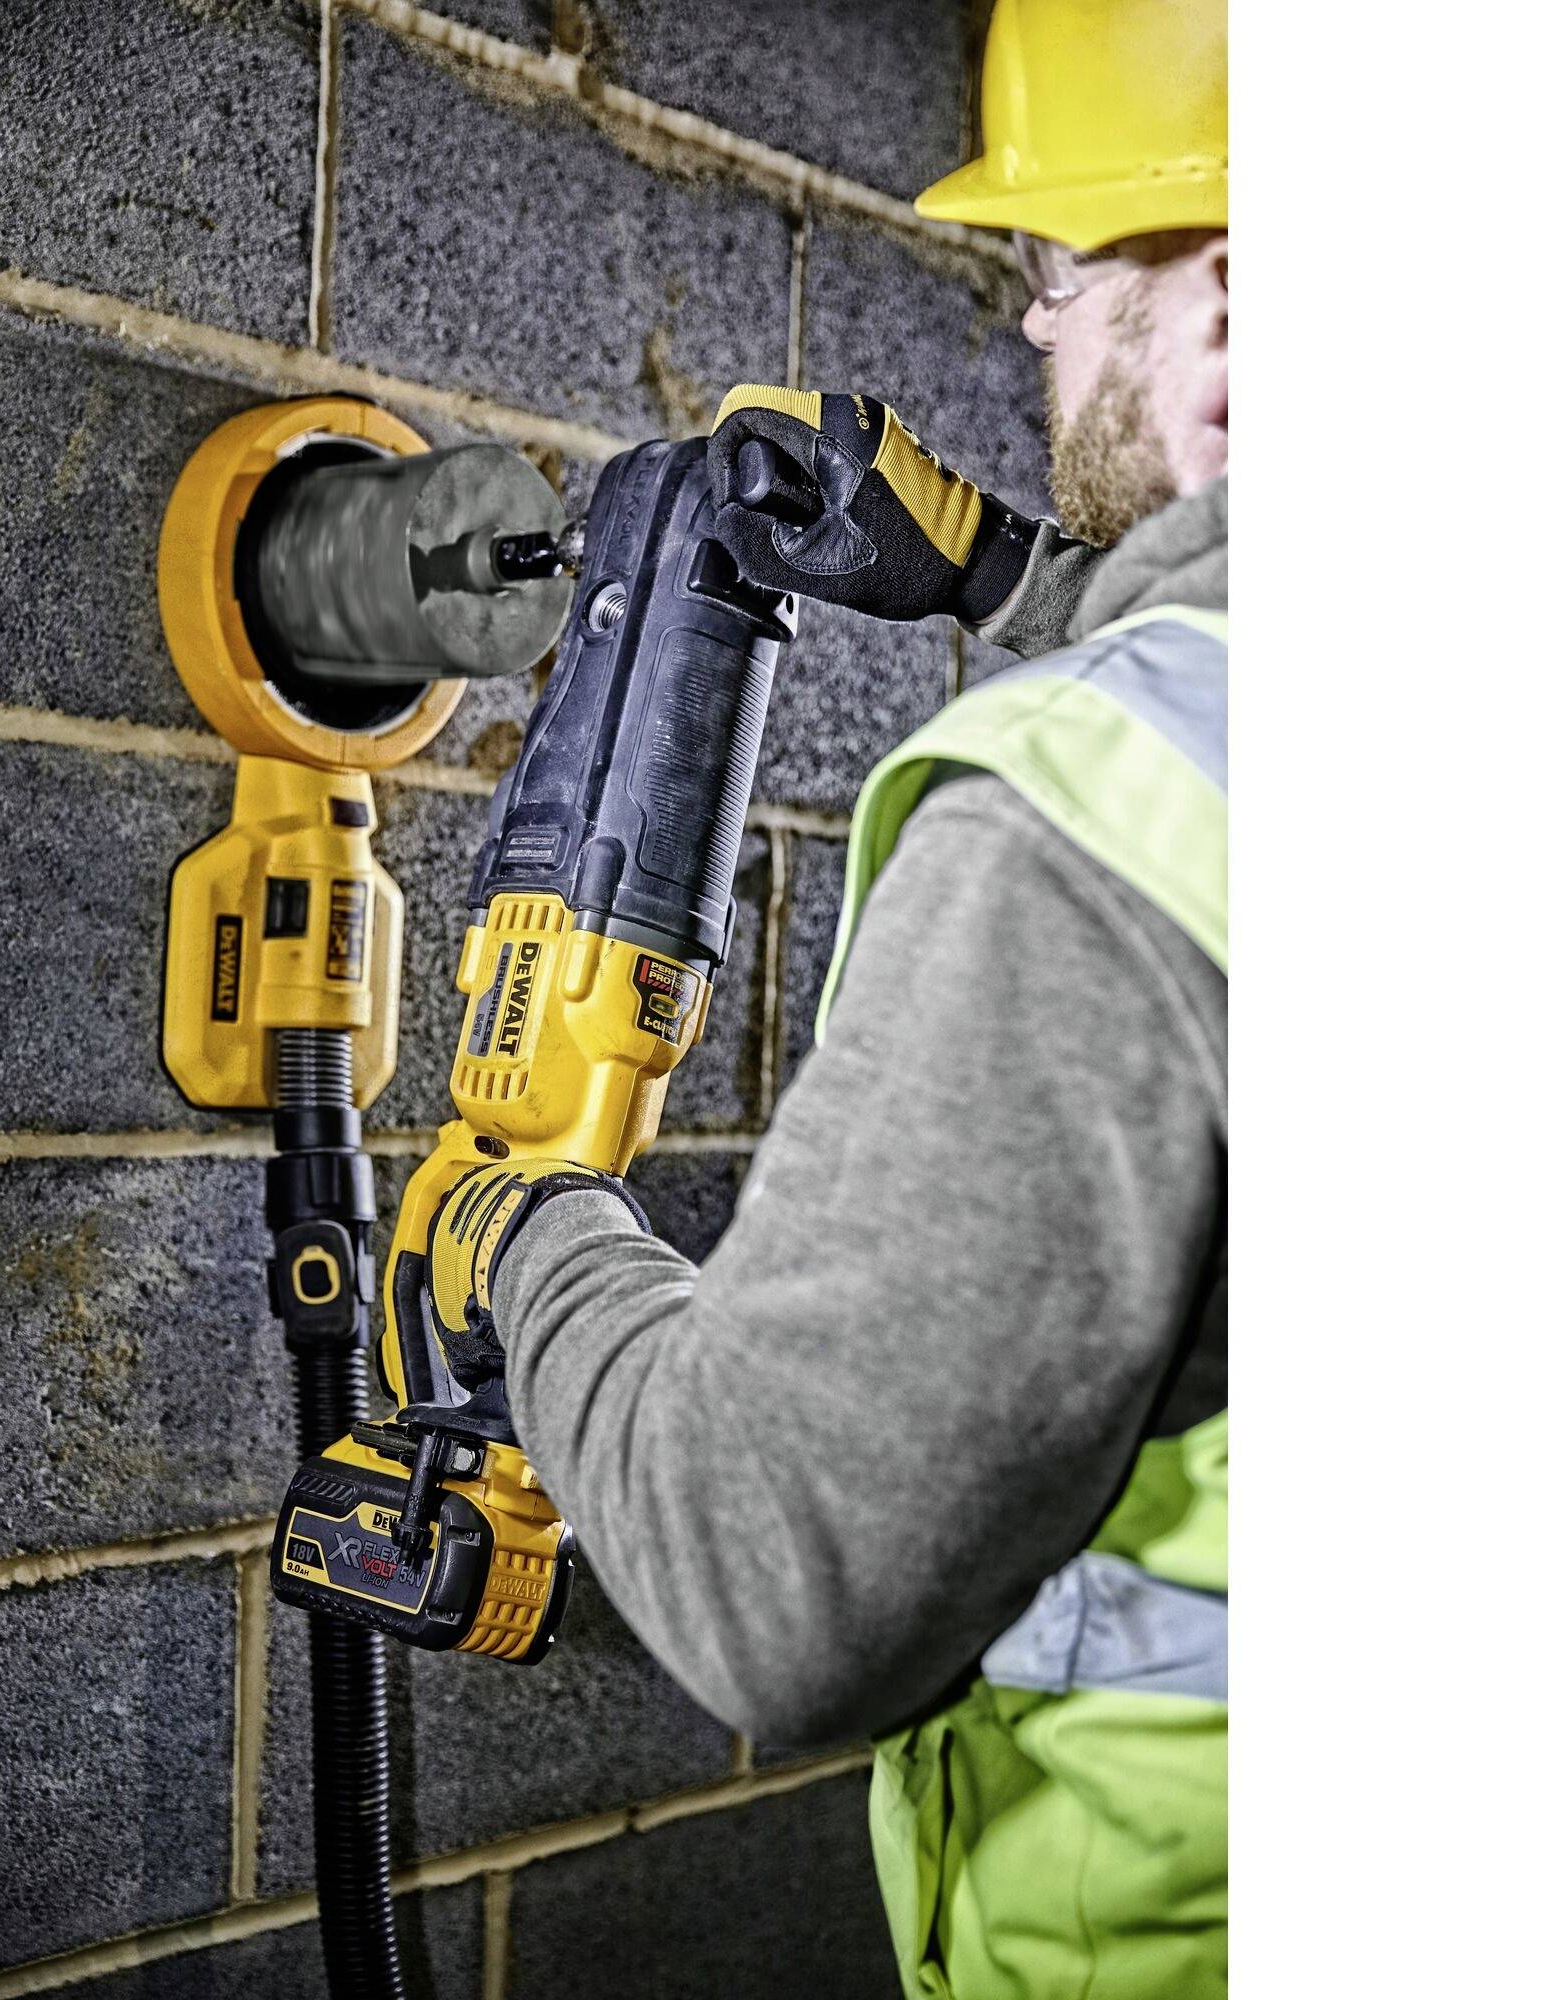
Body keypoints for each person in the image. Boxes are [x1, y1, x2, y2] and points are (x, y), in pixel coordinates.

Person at [425, 1, 1227, 1990]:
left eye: (1061, 265)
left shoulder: (1102, 819)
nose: (1031, 326)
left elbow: (771, 1569)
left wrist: (522, 1228)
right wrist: (997, 573)